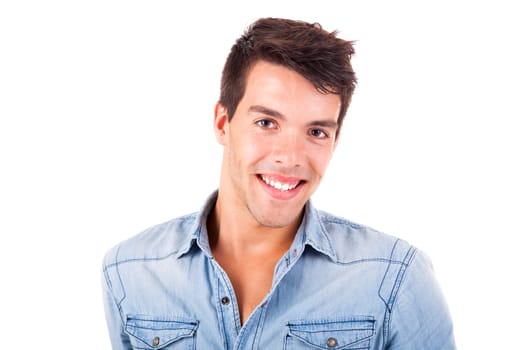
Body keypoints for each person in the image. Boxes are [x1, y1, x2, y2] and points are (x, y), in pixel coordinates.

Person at [101, 17, 456, 349]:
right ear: (223, 122)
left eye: (316, 132)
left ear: (335, 140)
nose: (290, 157)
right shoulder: (130, 271)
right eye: (267, 123)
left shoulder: (396, 278)